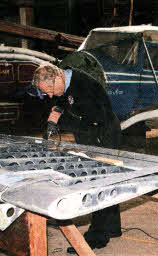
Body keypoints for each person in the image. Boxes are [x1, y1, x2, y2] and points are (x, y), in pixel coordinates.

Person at [29, 63, 122, 252]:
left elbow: (93, 119)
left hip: (103, 132)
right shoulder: (66, 81)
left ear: (57, 78)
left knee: (99, 182)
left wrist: (62, 122)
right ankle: (112, 228)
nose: (49, 95)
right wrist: (56, 110)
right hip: (93, 131)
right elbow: (64, 98)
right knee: (108, 179)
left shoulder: (85, 87)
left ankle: (97, 237)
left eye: (49, 90)